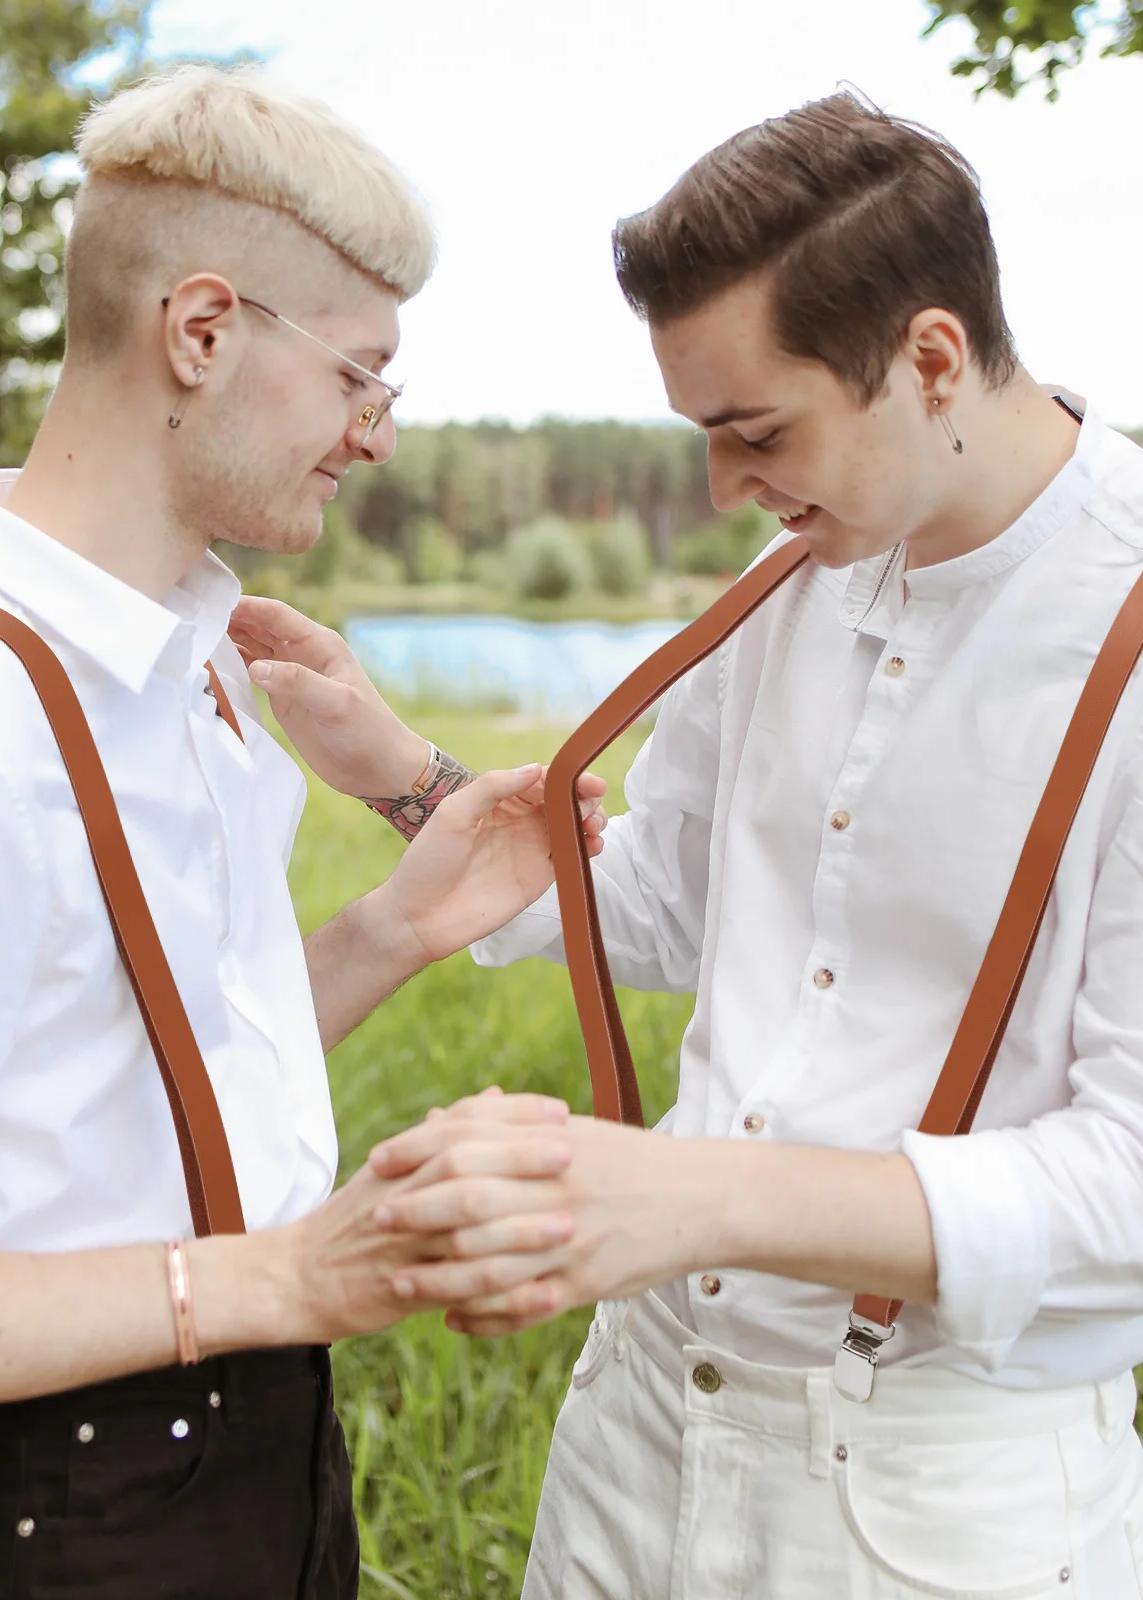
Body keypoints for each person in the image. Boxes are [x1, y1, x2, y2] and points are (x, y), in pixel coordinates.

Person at [0, 65, 607, 1600]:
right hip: (49, 1530)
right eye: (357, 379)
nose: (374, 435)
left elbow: (109, 1092)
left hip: (260, 1474)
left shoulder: (195, 674)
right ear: (201, 331)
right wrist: (288, 1277)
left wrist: (397, 930)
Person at [236, 93, 1143, 1597]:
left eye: (757, 433)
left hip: (940, 1503)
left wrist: (681, 1196)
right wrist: (405, 773)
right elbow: (662, 907)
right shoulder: (790, 582)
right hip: (639, 1429)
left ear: (929, 359)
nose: (729, 493)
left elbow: (1127, 1188)